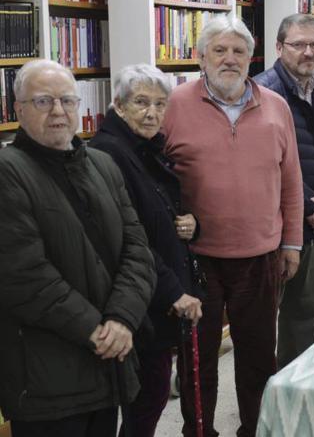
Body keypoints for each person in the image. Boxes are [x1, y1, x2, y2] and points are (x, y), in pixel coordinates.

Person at [162, 15, 304, 437]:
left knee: (259, 355)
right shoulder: (173, 105)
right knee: (197, 360)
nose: (229, 59)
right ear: (201, 57)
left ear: (251, 57)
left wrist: (292, 243)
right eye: (219, 51)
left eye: (238, 51)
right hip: (195, 262)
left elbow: (292, 180)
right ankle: (199, 432)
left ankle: (255, 430)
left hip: (260, 256)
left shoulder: (276, 107)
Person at [0, 59, 155, 436]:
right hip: (46, 375)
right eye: (42, 102)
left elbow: (138, 250)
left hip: (107, 365)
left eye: (68, 101)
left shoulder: (102, 164)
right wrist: (97, 331)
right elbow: (23, 276)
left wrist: (121, 319)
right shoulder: (8, 171)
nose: (58, 111)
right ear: (17, 109)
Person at [89, 64, 203, 437]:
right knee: (146, 397)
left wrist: (190, 223)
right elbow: (128, 235)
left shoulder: (144, 147)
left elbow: (160, 211)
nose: (152, 112)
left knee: (150, 397)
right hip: (139, 299)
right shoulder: (109, 152)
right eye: (140, 102)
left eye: (159, 103)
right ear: (118, 106)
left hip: (153, 290)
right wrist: (173, 291)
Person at [254, 14, 314, 367]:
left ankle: (291, 388)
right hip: (274, 230)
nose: (308, 52)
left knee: (304, 312)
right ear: (279, 48)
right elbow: (266, 163)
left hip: (312, 227)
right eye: (298, 44)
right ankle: (260, 398)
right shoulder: (262, 94)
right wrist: (312, 205)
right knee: (262, 319)